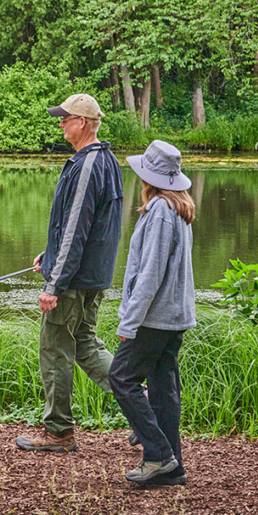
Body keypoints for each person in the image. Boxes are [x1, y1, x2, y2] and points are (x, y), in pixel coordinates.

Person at [15, 94, 124, 453]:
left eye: (65, 118)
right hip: (89, 275)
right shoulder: (104, 160)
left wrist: (55, 283)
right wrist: (51, 254)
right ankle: (143, 407)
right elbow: (83, 226)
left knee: (56, 348)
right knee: (86, 344)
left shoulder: (88, 164)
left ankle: (58, 432)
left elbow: (78, 225)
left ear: (83, 123)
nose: (60, 123)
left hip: (75, 281)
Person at [110, 140, 196, 484]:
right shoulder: (178, 207)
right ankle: (171, 468)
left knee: (122, 378)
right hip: (174, 317)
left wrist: (129, 321)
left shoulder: (160, 209)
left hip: (155, 317)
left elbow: (150, 272)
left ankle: (159, 454)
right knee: (162, 388)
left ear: (149, 177)